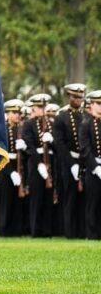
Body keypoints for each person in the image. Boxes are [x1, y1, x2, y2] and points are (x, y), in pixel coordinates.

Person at [53, 83, 86, 239]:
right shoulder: (61, 117)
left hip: (84, 160)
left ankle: (82, 230)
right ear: (69, 97)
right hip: (68, 162)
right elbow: (60, 144)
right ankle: (70, 232)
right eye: (75, 97)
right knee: (70, 197)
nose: (78, 99)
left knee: (83, 198)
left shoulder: (85, 116)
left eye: (80, 97)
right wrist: (71, 164)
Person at [22, 94, 55, 238]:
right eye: (39, 107)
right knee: (36, 198)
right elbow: (29, 146)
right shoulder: (28, 124)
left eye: (43, 107)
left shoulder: (50, 123)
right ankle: (35, 230)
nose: (42, 110)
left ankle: (47, 229)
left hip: (50, 163)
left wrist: (51, 140)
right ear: (33, 108)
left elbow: (57, 146)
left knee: (48, 198)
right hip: (35, 164)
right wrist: (39, 164)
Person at [0, 99, 25, 237]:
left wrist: (24, 147)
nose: (17, 115)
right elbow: (0, 153)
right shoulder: (2, 129)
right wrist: (10, 171)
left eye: (19, 113)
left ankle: (17, 229)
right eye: (14, 112)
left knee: (18, 201)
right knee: (6, 200)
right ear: (7, 114)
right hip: (5, 167)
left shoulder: (21, 130)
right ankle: (5, 229)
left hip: (18, 166)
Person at [79, 89, 101, 239]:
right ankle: (91, 234)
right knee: (92, 203)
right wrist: (96, 167)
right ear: (91, 105)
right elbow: (85, 149)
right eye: (98, 103)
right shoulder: (86, 124)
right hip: (93, 170)